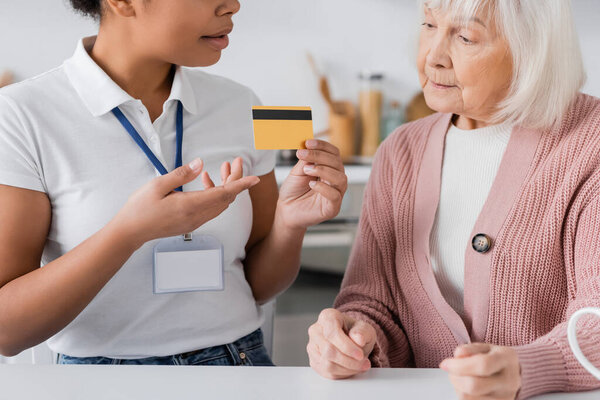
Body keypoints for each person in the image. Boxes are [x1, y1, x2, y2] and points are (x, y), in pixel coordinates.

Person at [0, 0, 348, 366]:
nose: (233, 5)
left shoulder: (240, 104)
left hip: (240, 365)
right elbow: (8, 333)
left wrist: (290, 224)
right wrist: (129, 232)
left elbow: (258, 288)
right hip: (98, 380)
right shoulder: (20, 116)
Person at [307, 0, 600, 399]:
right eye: (429, 25)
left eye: (465, 36)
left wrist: (526, 368)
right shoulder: (401, 150)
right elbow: (372, 301)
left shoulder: (589, 141)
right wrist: (354, 337)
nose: (433, 57)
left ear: (532, 49)